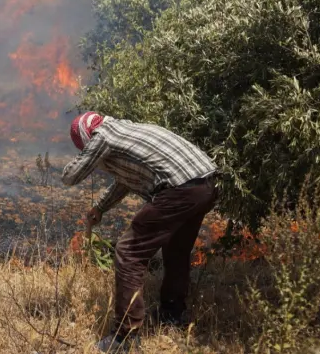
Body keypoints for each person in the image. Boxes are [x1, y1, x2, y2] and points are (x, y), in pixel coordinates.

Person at [62, 111, 218, 352]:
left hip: (179, 189)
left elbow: (70, 177)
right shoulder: (126, 130)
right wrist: (101, 207)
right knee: (176, 249)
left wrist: (88, 154)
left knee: (129, 252)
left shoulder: (102, 137)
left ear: (87, 137)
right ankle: (172, 314)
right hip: (206, 185)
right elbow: (126, 179)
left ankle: (125, 336)